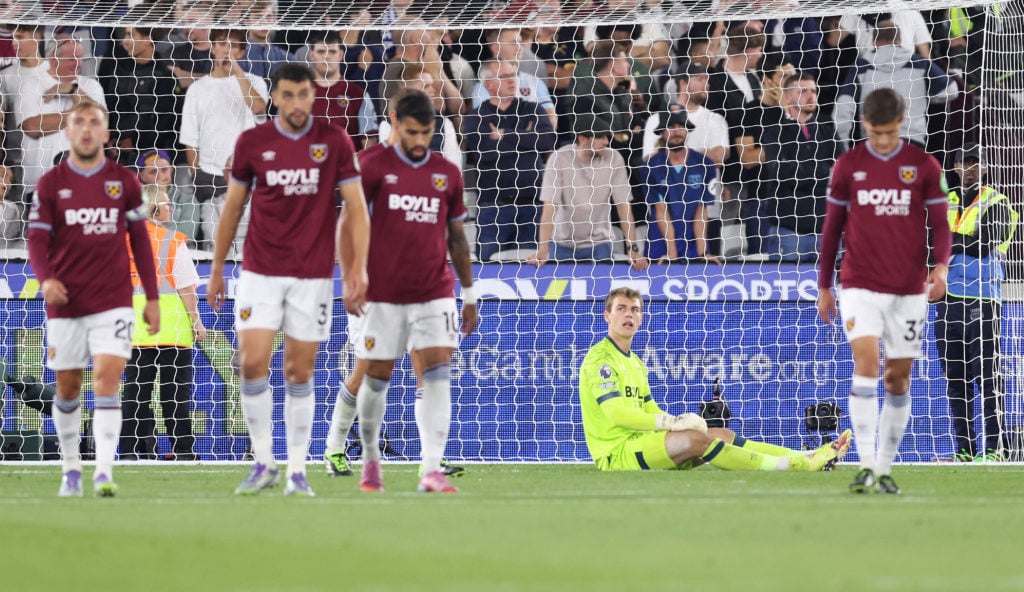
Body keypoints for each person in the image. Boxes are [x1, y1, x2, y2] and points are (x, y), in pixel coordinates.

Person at [207, 63, 370, 497]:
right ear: (274, 97)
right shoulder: (253, 142)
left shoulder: (334, 141)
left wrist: (355, 270)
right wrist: (218, 268)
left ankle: (297, 470)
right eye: (288, 95)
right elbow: (233, 208)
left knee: (300, 370)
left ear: (313, 95)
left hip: (312, 276)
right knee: (250, 362)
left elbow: (356, 207)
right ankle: (264, 462)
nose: (297, 102)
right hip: (259, 271)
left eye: (304, 94)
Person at [325, 89, 477, 494]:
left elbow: (456, 237)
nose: (419, 141)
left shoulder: (447, 172)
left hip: (434, 290)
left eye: (426, 133)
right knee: (372, 373)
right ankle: (355, 453)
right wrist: (351, 276)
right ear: (392, 121)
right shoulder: (370, 165)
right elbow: (347, 224)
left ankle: (431, 467)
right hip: (381, 292)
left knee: (436, 373)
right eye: (411, 132)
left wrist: (469, 293)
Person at [816, 88, 952, 494]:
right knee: (866, 365)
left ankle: (886, 468)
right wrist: (824, 284)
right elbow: (832, 228)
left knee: (897, 379)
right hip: (859, 284)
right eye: (876, 133)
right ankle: (867, 464)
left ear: (901, 123)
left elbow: (941, 225)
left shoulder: (923, 165)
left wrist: (941, 268)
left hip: (909, 289)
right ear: (865, 125)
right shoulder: (848, 165)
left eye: (890, 133)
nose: (883, 141)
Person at [26, 101, 161, 497]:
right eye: (79, 123)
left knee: (107, 380)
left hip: (114, 299)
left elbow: (139, 239)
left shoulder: (125, 182)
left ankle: (103, 471)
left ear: (105, 134)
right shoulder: (51, 184)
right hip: (65, 302)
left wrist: (151, 297)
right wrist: (46, 278)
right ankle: (71, 467)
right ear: (67, 132)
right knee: (68, 387)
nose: (86, 130)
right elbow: (36, 239)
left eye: (94, 123)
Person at [580, 287, 850, 472]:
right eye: (621, 309)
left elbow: (648, 408)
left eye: (635, 310)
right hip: (618, 454)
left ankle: (807, 456)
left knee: (721, 434)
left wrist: (675, 424)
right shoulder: (600, 359)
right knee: (698, 441)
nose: (628, 314)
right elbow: (615, 414)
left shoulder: (635, 361)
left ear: (641, 317)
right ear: (607, 315)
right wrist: (670, 423)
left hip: (644, 444)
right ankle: (796, 466)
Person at [934, 143, 1018, 462]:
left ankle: (995, 449)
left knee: (987, 379)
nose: (969, 169)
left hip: (983, 300)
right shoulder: (948, 202)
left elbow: (984, 244)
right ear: (955, 167)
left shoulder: (997, 202)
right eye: (964, 163)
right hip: (948, 301)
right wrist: (953, 243)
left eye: (975, 163)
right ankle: (965, 450)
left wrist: (949, 242)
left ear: (984, 168)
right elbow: (930, 245)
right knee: (956, 382)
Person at [120, 186, 207, 461]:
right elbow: (186, 288)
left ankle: (133, 453)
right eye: (168, 204)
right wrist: (197, 322)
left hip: (135, 333)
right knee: (175, 398)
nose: (173, 208)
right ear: (155, 209)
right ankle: (183, 453)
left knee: (135, 396)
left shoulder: (121, 241)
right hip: (173, 333)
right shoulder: (172, 241)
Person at [180, 28, 268, 247]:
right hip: (211, 177)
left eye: (231, 45)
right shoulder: (197, 89)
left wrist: (236, 72)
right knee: (214, 242)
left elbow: (258, 108)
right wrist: (198, 174)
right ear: (212, 47)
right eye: (220, 43)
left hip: (249, 176)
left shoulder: (256, 82)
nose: (225, 49)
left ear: (241, 52)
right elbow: (190, 138)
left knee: (251, 242)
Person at [463, 59, 556, 262]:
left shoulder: (533, 108)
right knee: (487, 270)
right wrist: (526, 137)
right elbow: (484, 152)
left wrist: (506, 133)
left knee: (533, 271)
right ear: (488, 84)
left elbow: (548, 140)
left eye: (513, 75)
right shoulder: (476, 117)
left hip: (532, 206)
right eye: (504, 76)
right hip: (493, 207)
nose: (512, 80)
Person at [528, 114, 648, 269]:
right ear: (582, 139)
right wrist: (543, 249)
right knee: (559, 293)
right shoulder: (559, 159)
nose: (606, 141)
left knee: (601, 293)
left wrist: (633, 249)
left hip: (600, 244)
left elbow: (623, 206)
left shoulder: (614, 158)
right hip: (562, 244)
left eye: (606, 136)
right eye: (600, 137)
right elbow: (549, 207)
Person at [833, 20, 957, 151]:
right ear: (900, 40)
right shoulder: (920, 64)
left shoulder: (862, 67)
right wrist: (922, 97)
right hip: (911, 141)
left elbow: (844, 105)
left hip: (874, 142)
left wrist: (843, 147)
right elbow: (951, 90)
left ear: (873, 41)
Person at [760, 73, 843, 262]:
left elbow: (841, 169)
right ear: (788, 96)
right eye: (803, 91)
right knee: (786, 288)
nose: (810, 95)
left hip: (827, 229)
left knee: (832, 289)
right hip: (788, 230)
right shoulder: (775, 131)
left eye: (813, 91)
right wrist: (821, 170)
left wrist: (801, 169)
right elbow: (778, 171)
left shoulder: (827, 127)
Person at [641, 111, 721, 264]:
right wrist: (672, 253)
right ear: (662, 132)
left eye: (681, 126)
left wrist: (702, 252)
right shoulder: (651, 166)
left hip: (692, 244)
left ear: (687, 130)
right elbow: (661, 210)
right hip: (660, 244)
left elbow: (701, 211)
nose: (677, 131)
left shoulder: (706, 164)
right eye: (671, 127)